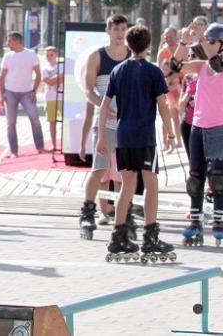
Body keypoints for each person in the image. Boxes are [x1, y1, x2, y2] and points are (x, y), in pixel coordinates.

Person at [96, 25, 176, 263]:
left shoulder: (118, 70)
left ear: (128, 45)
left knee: (127, 185)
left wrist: (102, 136)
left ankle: (118, 235)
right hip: (144, 136)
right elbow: (163, 105)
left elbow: (104, 105)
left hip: (123, 135)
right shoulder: (153, 72)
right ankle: (150, 236)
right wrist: (170, 133)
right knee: (151, 184)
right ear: (149, 44)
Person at [172, 22, 223, 245]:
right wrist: (184, 40)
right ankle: (195, 221)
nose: (206, 45)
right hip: (198, 126)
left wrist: (204, 41)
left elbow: (217, 65)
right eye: (207, 41)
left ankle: (219, 219)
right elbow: (175, 65)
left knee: (218, 177)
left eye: (211, 41)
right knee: (195, 177)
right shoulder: (201, 66)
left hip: (220, 126)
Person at [77, 14, 129, 238]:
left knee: (124, 173)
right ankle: (88, 213)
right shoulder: (96, 56)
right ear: (108, 31)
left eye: (123, 29)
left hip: (128, 124)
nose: (120, 34)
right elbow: (89, 89)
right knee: (100, 169)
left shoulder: (132, 56)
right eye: (116, 29)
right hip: (106, 122)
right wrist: (104, 105)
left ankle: (122, 216)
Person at [0, 31, 44, 157]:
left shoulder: (31, 55)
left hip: (27, 92)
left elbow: (38, 74)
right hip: (10, 92)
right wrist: (1, 94)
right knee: (10, 123)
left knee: (34, 117)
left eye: (9, 40)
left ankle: (40, 147)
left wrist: (34, 90)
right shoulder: (7, 56)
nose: (7, 43)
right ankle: (14, 151)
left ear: (16, 41)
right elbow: (2, 77)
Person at [42, 46, 63, 152]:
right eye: (47, 55)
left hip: (62, 97)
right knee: (52, 121)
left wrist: (55, 79)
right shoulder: (45, 69)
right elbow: (48, 82)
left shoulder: (62, 66)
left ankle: (66, 144)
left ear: (56, 55)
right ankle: (54, 145)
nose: (49, 57)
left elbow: (64, 77)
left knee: (65, 121)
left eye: (51, 55)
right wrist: (59, 77)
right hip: (50, 98)